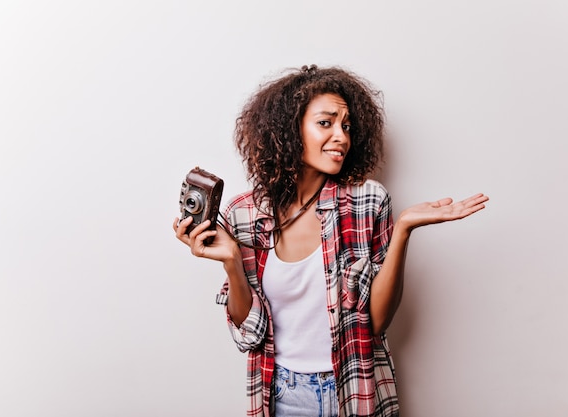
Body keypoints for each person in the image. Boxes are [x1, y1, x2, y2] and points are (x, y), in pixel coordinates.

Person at [174, 65, 489, 417]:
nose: (341, 136)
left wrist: (403, 230)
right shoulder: (243, 213)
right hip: (281, 395)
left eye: (347, 126)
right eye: (326, 123)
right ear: (289, 130)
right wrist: (231, 260)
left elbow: (376, 323)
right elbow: (250, 335)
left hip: (355, 391)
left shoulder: (367, 201)